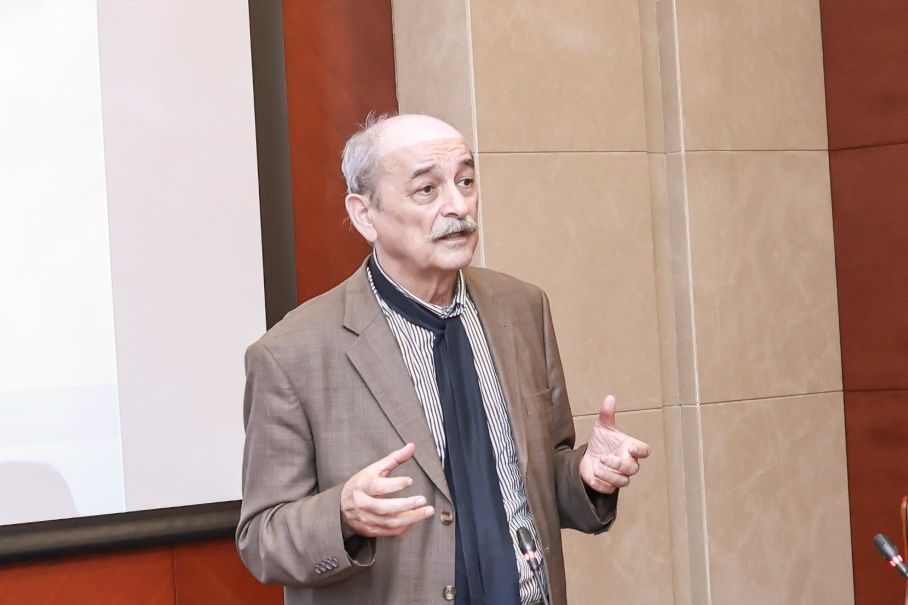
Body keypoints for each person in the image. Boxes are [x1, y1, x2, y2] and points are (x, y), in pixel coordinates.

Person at [236, 114, 651, 605]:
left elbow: (534, 480)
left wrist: (585, 475)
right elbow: (262, 540)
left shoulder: (522, 309)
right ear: (365, 214)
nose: (458, 205)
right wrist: (342, 515)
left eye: (466, 181)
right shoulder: (290, 354)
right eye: (427, 190)